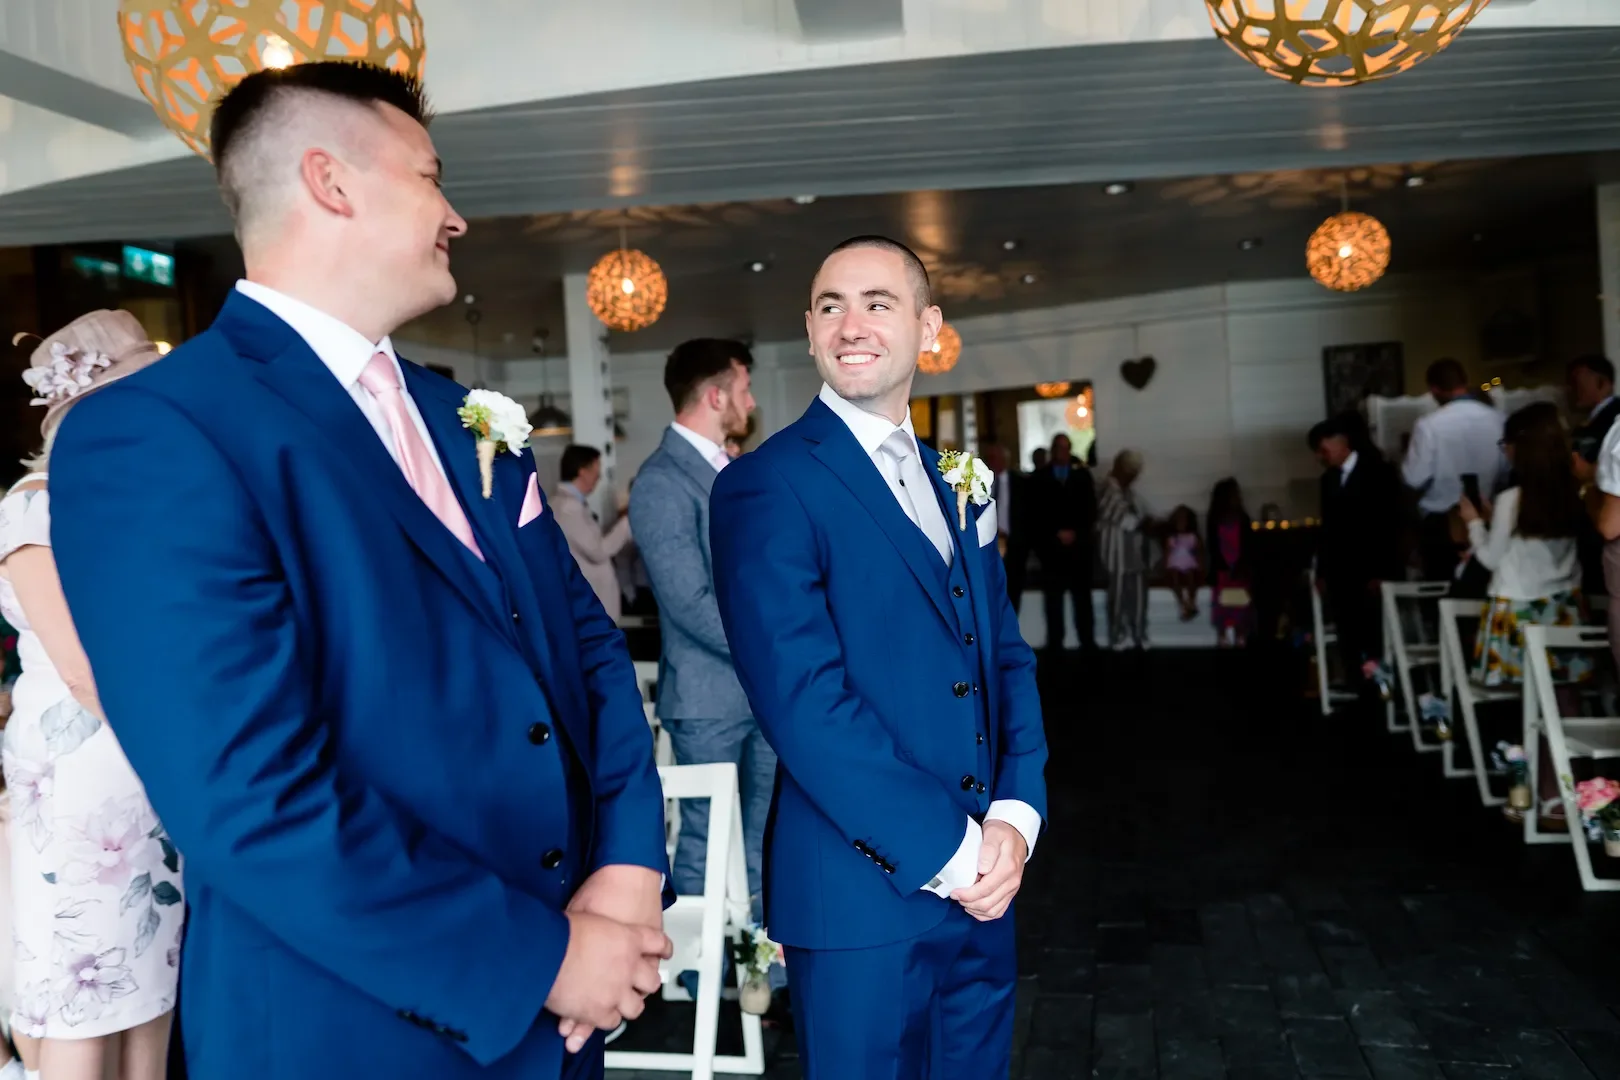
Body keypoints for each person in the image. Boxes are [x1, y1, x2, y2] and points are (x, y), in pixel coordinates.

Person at [46, 63, 671, 1080]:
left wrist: (629, 870)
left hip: (562, 1007)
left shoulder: (458, 414)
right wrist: (541, 959)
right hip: (352, 1027)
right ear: (332, 183)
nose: (456, 215)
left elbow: (585, 649)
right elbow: (247, 791)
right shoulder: (156, 433)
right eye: (431, 177)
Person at [709, 236, 1047, 1077]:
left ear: (929, 326)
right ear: (811, 330)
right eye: (830, 305)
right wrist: (956, 853)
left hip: (984, 888)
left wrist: (1016, 813)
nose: (850, 324)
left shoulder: (958, 480)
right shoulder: (765, 483)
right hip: (859, 895)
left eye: (877, 303)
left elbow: (1004, 656)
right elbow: (802, 703)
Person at [1, 311, 177, 1080]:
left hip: (144, 759)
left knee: (146, 970)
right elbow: (80, 670)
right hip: (83, 765)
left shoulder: (129, 499)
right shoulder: (34, 501)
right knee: (82, 978)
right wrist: (184, 742)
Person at [627, 340, 775, 925]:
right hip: (710, 696)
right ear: (715, 396)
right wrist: (773, 648)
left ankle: (765, 975)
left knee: (766, 833)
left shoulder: (734, 470)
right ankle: (697, 978)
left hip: (764, 691)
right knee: (706, 840)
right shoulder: (661, 481)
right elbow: (688, 601)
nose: (750, 400)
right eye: (743, 389)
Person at [1460, 403, 1588, 685]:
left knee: (1525, 696)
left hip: (1518, 608)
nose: (1504, 450)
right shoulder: (1574, 492)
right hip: (1563, 606)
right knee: (1564, 691)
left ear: (1522, 446)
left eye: (1506, 443)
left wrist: (1474, 523)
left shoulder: (1512, 499)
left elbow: (1490, 559)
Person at [1312, 414, 1404, 690]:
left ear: (1342, 443)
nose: (1321, 455)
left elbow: (1390, 526)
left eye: (1323, 448)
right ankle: (1357, 690)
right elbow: (1326, 530)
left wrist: (1383, 571)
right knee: (1347, 635)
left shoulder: (1380, 472)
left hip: (1372, 571)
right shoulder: (1328, 480)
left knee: (1375, 636)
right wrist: (1322, 571)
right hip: (1340, 572)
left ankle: (1381, 692)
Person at [1402, 358, 1506, 581]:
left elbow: (1414, 478)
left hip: (1441, 523)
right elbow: (1506, 472)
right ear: (1465, 381)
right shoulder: (1498, 419)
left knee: (1441, 594)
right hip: (1489, 514)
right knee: (1483, 586)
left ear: (1434, 390)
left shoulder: (1429, 424)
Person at [552, 444, 633, 621]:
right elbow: (598, 551)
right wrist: (628, 521)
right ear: (583, 471)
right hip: (592, 598)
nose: (599, 476)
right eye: (597, 469)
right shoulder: (569, 508)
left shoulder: (567, 504)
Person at [1031, 433, 1097, 650]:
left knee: (1082, 598)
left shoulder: (1082, 476)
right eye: (1059, 448)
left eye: (1067, 448)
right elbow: (1036, 514)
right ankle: (1055, 641)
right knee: (1053, 600)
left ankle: (1087, 640)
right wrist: (1055, 533)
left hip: (1078, 548)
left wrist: (1075, 532)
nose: (1064, 452)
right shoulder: (1040, 478)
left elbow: (1090, 510)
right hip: (1052, 548)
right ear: (1053, 450)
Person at [1097, 449, 1151, 650]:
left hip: (1134, 554)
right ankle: (1118, 635)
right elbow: (1128, 521)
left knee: (1138, 596)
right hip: (1115, 554)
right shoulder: (1108, 489)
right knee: (1118, 597)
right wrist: (1150, 524)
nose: (1134, 477)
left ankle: (1139, 633)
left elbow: (1142, 514)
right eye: (1131, 472)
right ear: (1120, 468)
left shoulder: (1128, 491)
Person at [980, 444, 1031, 612]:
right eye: (989, 459)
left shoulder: (1020, 483)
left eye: (995, 458)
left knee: (1013, 589)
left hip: (1014, 545)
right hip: (987, 545)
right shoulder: (979, 484)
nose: (991, 462)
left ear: (1005, 461)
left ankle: (1010, 631)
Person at [1206, 478, 1254, 648]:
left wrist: (1242, 565)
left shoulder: (1243, 518)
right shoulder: (1214, 519)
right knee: (1222, 605)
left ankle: (1241, 637)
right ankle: (1222, 637)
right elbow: (1212, 546)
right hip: (1222, 569)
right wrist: (1220, 565)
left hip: (1239, 568)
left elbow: (1248, 545)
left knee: (1240, 605)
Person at [1568, 354, 1619, 481]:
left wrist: (1591, 471)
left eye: (1578, 382)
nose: (1573, 389)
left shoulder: (1616, 417)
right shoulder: (1584, 424)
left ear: (1602, 383)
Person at [1163, 505, 1202, 622]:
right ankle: (1182, 603)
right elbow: (1167, 552)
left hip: (1189, 562)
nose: (1181, 523)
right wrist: (1165, 566)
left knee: (1191, 577)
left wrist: (1201, 564)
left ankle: (1191, 602)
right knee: (1174, 577)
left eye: (1184, 520)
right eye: (1179, 520)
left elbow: (1199, 552)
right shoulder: (1171, 537)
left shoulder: (1193, 537)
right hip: (1175, 563)